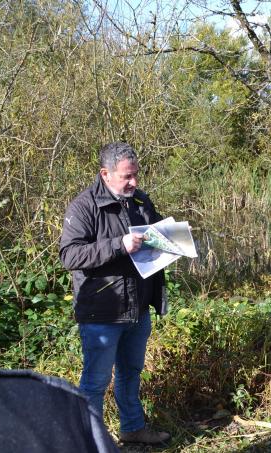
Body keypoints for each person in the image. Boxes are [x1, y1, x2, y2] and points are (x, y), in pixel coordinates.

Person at [60, 142, 170, 445]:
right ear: (105, 174)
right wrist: (118, 245)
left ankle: (132, 428)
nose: (134, 182)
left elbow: (158, 234)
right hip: (102, 313)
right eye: (127, 177)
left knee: (130, 374)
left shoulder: (140, 200)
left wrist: (174, 240)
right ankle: (91, 443)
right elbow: (69, 255)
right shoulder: (83, 207)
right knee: (95, 382)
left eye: (136, 175)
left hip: (138, 308)